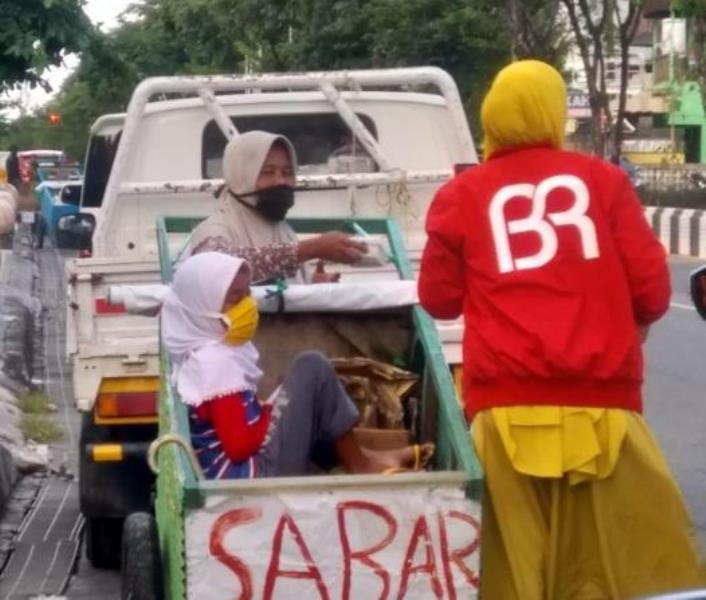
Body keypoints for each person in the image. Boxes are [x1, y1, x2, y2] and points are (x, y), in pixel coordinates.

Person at [418, 60, 704, 599]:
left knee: (511, 577)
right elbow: (654, 293)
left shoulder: (464, 194)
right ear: (553, 113)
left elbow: (438, 299)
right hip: (607, 415)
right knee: (627, 575)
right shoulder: (604, 181)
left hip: (503, 417)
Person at [161, 251, 431, 479]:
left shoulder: (201, 354)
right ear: (202, 305)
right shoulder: (214, 361)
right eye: (234, 298)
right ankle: (361, 463)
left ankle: (363, 456)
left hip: (245, 469)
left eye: (246, 295)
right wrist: (273, 409)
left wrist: (276, 405)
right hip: (252, 475)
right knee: (311, 366)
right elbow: (240, 445)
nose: (246, 305)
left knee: (303, 389)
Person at [190, 130, 368, 284]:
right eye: (268, 172)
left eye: (287, 173)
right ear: (241, 175)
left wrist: (312, 285)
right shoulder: (214, 229)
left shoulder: (284, 231)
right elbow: (218, 272)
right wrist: (310, 249)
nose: (280, 181)